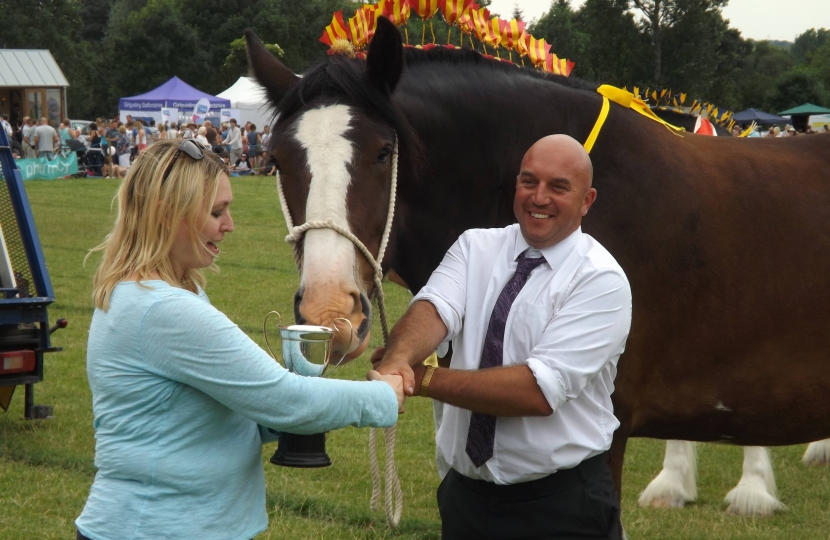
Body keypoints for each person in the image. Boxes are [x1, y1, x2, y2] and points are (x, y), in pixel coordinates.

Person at [75, 139, 404, 540]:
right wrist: (384, 396)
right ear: (167, 214)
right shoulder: (161, 309)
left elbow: (237, 410)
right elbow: (285, 400)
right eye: (216, 212)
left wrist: (314, 367)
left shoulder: (164, 293)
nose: (229, 225)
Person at [375, 134, 632, 540]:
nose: (539, 197)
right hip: (465, 500)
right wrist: (398, 358)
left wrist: (421, 380)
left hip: (559, 508)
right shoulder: (475, 246)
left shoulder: (600, 279)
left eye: (558, 186)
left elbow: (536, 391)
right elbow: (433, 308)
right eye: (529, 181)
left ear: (587, 200)